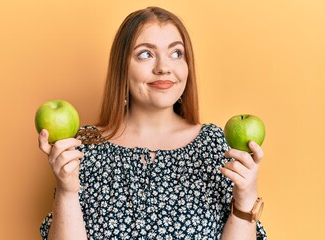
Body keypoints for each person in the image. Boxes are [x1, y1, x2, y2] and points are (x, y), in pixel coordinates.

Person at [38, 6, 267, 240]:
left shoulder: (214, 144)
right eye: (146, 54)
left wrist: (246, 197)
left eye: (176, 53)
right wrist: (66, 191)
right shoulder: (83, 146)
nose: (163, 68)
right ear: (122, 67)